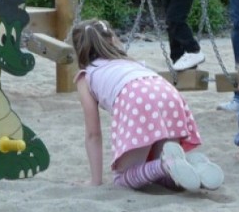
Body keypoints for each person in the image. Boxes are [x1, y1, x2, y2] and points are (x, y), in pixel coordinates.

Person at [70, 18, 224, 192]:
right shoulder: (131, 63)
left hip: (137, 99)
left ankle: (167, 165)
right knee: (159, 173)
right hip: (168, 93)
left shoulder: (86, 75)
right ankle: (196, 169)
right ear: (112, 40)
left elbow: (93, 134)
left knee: (123, 178)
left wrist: (95, 180)